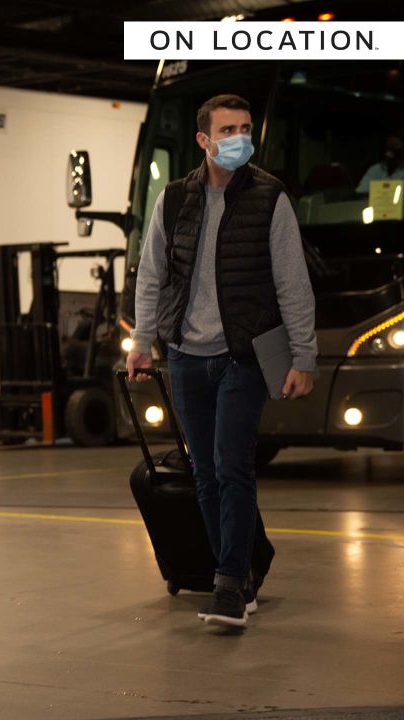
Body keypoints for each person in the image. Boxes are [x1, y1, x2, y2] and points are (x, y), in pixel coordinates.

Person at [127, 94, 317, 628]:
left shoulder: (270, 198)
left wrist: (302, 357)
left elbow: (293, 283)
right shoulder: (173, 200)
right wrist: (143, 341)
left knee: (232, 467)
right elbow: (151, 276)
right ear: (203, 140)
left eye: (246, 128)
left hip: (245, 355)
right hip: (186, 355)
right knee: (205, 472)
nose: (239, 137)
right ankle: (236, 574)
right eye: (228, 129)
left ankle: (230, 584)